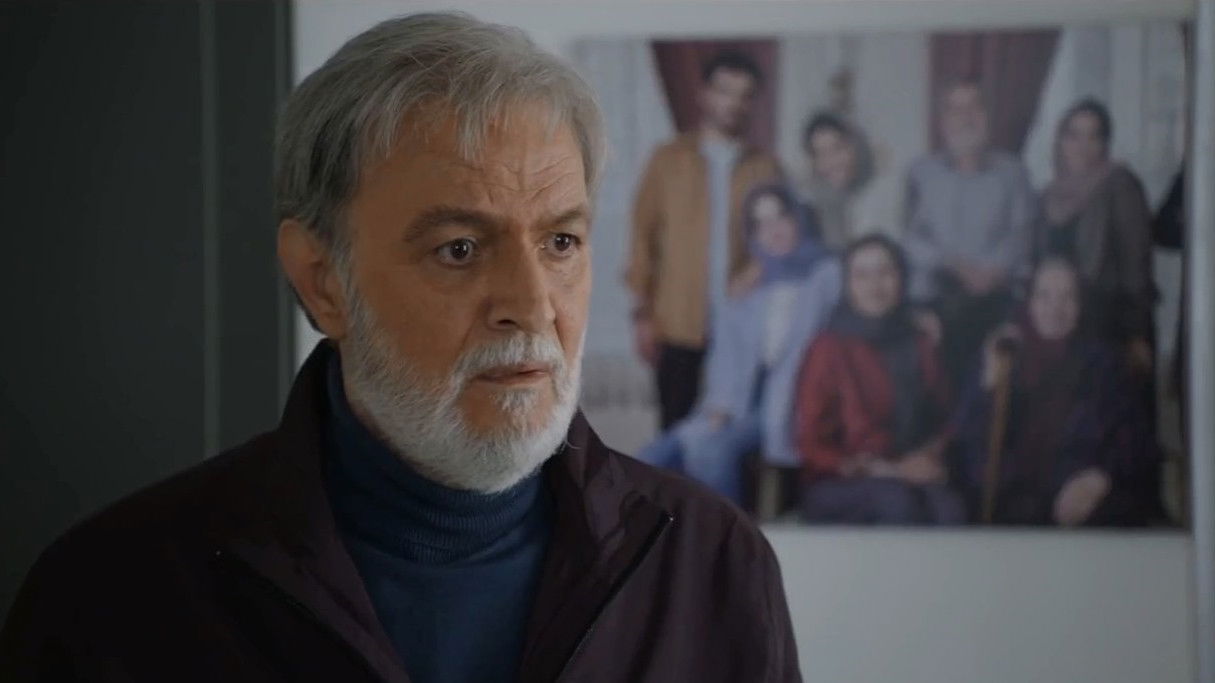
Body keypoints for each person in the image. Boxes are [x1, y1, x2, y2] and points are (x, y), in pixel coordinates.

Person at [0, 14, 800, 682]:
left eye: (561, 241)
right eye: (459, 249)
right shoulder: (112, 597)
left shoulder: (712, 566)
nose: (531, 308)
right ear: (322, 281)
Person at [637, 183, 840, 504]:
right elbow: (726, 358)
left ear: (798, 219)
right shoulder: (748, 290)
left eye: (780, 217)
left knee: (709, 450)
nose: (773, 230)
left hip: (793, 402)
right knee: (648, 461)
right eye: (760, 224)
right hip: (740, 402)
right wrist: (721, 406)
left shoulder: (826, 275)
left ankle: (728, 531)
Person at [626, 50, 783, 429]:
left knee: (734, 431)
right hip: (677, 322)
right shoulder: (668, 159)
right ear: (705, 94)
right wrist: (642, 314)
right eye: (725, 91)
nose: (733, 103)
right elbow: (643, 236)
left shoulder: (766, 168)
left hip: (741, 324)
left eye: (744, 95)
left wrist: (757, 270)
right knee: (675, 426)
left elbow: (782, 239)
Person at [954, 257, 1161, 526]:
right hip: (1010, 499)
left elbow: (1136, 441)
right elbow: (965, 440)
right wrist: (988, 383)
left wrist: (1100, 477)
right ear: (1029, 303)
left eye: (1067, 297)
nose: (1055, 308)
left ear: (1081, 305)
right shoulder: (1003, 352)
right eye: (1044, 296)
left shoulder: (1103, 364)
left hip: (1077, 496)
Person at [796, 235, 965, 525]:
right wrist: (890, 470)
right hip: (843, 479)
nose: (875, 286)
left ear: (902, 279)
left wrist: (928, 457)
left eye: (885, 272)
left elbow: (944, 418)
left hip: (909, 469)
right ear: (847, 284)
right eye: (862, 276)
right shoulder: (828, 348)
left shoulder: (918, 340)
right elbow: (810, 444)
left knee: (949, 509)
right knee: (897, 504)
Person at [903, 80, 1037, 385]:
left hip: (996, 300)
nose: (965, 117)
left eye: (974, 107)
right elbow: (911, 238)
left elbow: (1022, 234)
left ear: (988, 116)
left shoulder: (1014, 172)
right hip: (938, 298)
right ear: (942, 120)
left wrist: (992, 272)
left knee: (995, 389)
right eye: (956, 109)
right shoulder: (920, 172)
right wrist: (954, 265)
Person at [1036, 98, 1156, 374]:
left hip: (1109, 326)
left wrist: (1136, 332)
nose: (1082, 146)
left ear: (1104, 144)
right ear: (1060, 141)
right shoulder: (1048, 196)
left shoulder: (1120, 186)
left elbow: (1136, 265)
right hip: (1060, 328)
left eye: (1093, 136)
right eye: (1074, 135)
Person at [801, 111, 877, 250]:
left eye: (838, 148)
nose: (832, 162)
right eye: (821, 154)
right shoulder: (808, 209)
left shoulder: (881, 195)